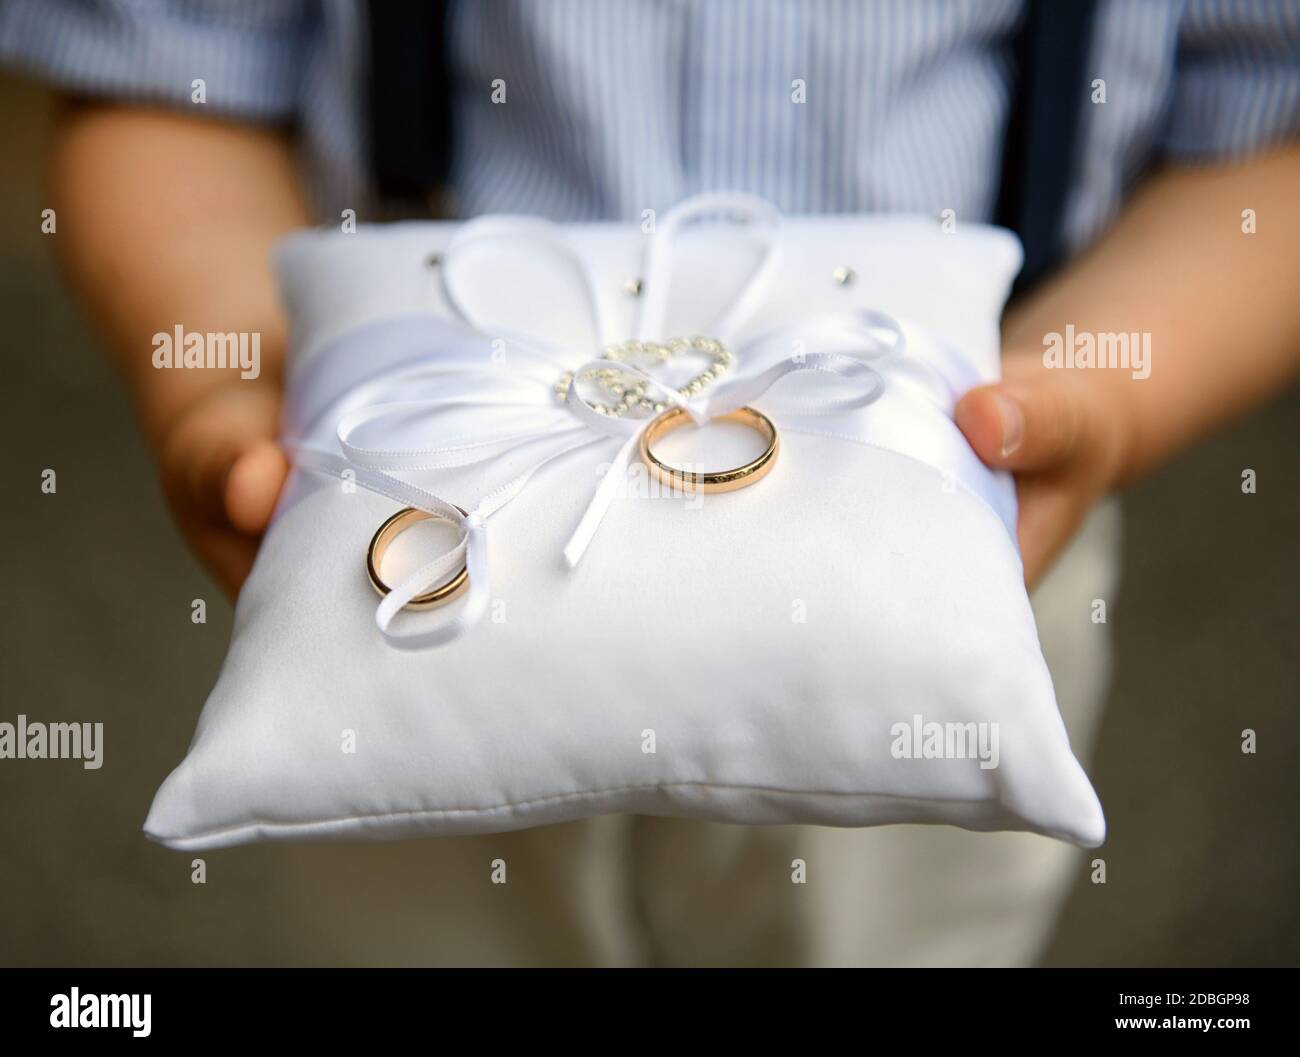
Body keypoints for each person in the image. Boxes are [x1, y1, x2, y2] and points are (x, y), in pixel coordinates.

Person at [2, 0, 1297, 966]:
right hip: (414, 560)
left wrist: (1103, 396)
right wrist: (220, 382)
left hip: (954, 534)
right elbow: (162, 75)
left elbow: (1270, 120)